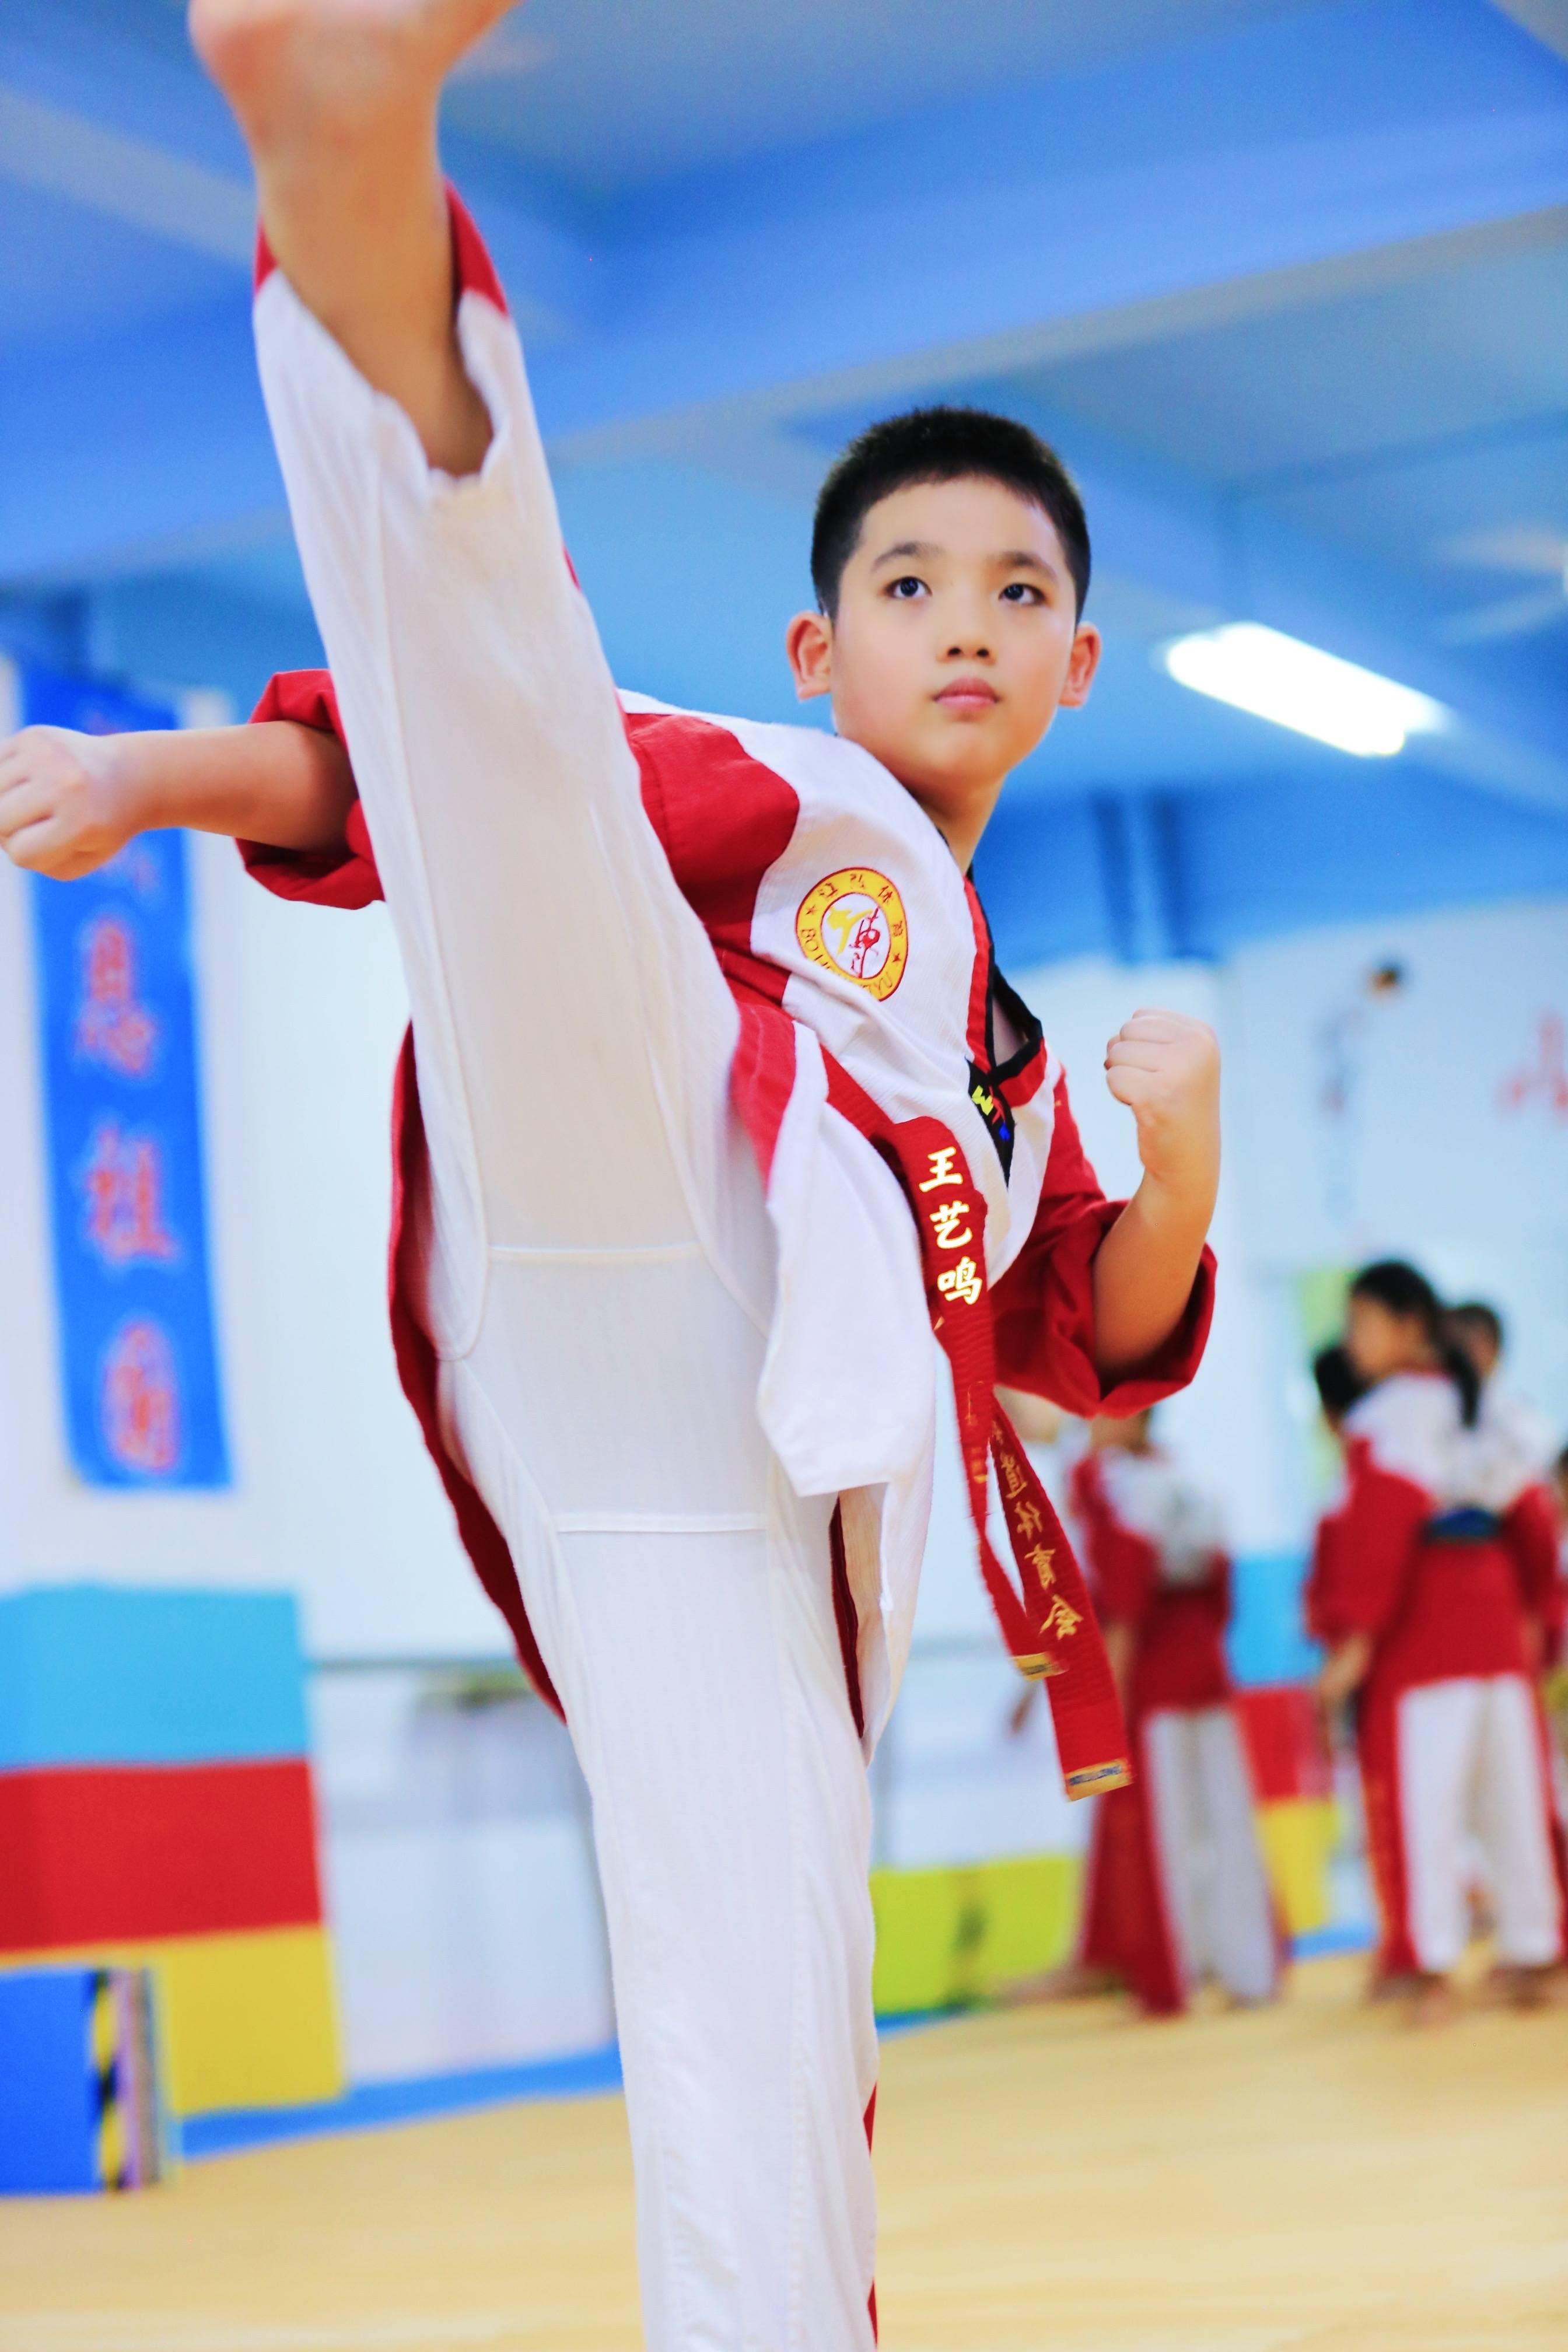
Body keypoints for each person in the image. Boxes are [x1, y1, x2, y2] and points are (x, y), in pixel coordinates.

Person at [0, 3, 1219, 2339]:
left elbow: (1104, 1344)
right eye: (911, 581)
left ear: (1077, 665)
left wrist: (1184, 1151)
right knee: (513, 707)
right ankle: (351, 169)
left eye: (1020, 593)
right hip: (632, 1162)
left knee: (767, 1986)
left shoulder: (1014, 1058)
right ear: (816, 641)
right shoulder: (770, 782)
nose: (967, 616)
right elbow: (466, 759)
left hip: (775, 1467)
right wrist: (163, 779)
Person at [1318, 1262, 1567, 2020]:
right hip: (1494, 1616)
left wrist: (1355, 1643)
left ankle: (1430, 1968)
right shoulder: (1491, 1405)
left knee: (1426, 1801)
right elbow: (1532, 1512)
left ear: (1408, 1326)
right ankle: (1536, 1952)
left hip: (1424, 1623)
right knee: (1512, 1794)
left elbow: (1384, 1523)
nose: (1354, 1341)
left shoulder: (1388, 1413)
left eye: (1363, 1323)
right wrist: (1538, 1608)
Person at [1053, 1410, 1279, 2015]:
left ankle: (1172, 1976)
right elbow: (1222, 1592)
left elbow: (1126, 1601)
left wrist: (1112, 1692)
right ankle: (1250, 1969)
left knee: (1167, 1832)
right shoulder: (1194, 1481)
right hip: (1207, 1668)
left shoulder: (1122, 1489)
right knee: (1227, 1819)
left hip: (1153, 1680)